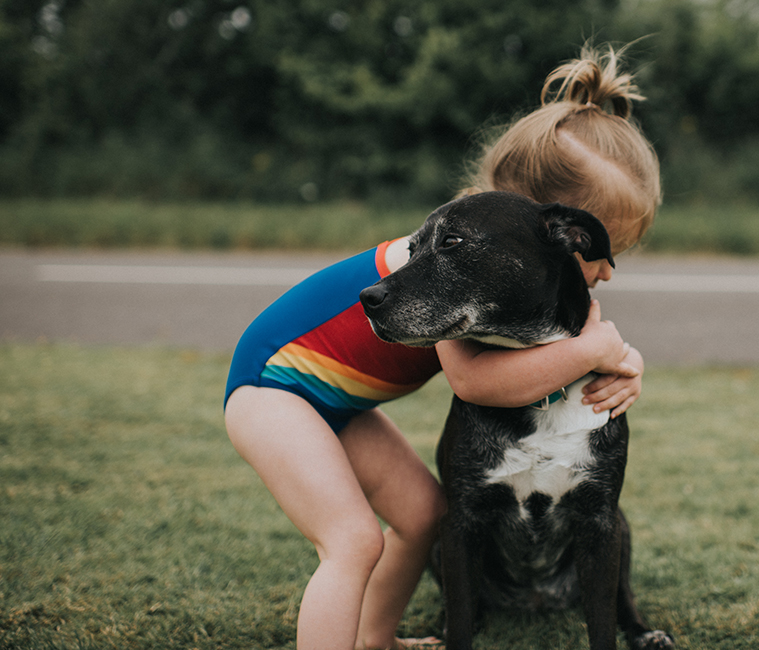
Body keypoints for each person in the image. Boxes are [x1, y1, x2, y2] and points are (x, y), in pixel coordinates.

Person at [223, 43, 660, 650]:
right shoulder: (436, 264)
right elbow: (476, 382)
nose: (607, 270)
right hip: (272, 388)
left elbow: (589, 343)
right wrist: (598, 352)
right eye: (599, 249)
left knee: (426, 514)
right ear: (540, 225)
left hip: (335, 401)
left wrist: (625, 363)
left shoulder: (507, 277)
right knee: (352, 540)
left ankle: (376, 638)